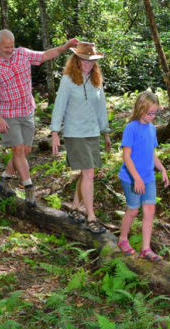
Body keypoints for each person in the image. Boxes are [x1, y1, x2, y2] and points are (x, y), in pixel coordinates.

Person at [0, 29, 79, 206]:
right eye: (6, 48)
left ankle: (4, 180)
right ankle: (29, 188)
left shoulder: (22, 54)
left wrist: (66, 46)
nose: (10, 50)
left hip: (27, 111)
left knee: (25, 152)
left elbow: (46, 54)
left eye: (12, 46)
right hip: (8, 114)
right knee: (18, 151)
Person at [50, 42, 110, 234]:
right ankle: (91, 217)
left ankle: (75, 208)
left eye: (92, 61)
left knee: (86, 173)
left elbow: (101, 108)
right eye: (85, 61)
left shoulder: (96, 80)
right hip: (74, 133)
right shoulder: (67, 80)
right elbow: (59, 106)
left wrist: (106, 133)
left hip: (92, 132)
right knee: (89, 173)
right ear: (76, 60)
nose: (88, 64)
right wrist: (54, 133)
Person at [116, 91, 170, 261]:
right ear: (140, 109)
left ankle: (146, 248)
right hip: (131, 177)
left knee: (150, 210)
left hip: (148, 177)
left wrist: (161, 169)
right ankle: (122, 239)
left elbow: (151, 153)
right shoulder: (131, 128)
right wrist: (136, 178)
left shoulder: (152, 129)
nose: (153, 116)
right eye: (150, 113)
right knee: (133, 210)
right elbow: (126, 156)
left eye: (155, 113)